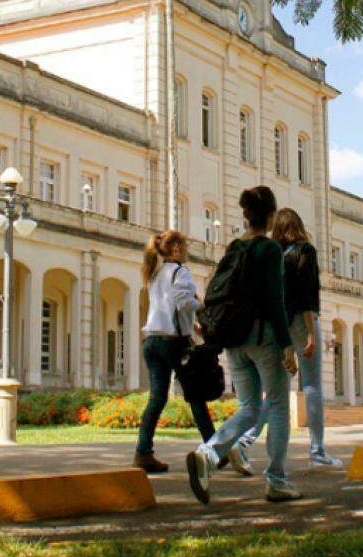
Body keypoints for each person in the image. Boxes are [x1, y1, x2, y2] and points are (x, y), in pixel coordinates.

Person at [186, 186, 301, 504]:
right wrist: (286, 344)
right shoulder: (269, 249)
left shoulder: (234, 247)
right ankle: (277, 480)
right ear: (271, 215)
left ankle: (207, 455)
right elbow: (275, 301)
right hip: (262, 337)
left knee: (249, 407)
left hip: (233, 338)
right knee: (278, 405)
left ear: (246, 216)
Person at [234, 208, 344, 470]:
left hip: (276, 324)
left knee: (274, 391)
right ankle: (317, 451)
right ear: (299, 226)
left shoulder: (273, 253)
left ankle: (244, 441)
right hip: (300, 321)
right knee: (313, 385)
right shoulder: (305, 250)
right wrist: (310, 332)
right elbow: (306, 294)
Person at [134, 229, 234, 473]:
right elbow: (181, 301)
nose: (188, 250)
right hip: (174, 343)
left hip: (152, 341)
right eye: (185, 246)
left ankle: (143, 452)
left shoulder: (156, 273)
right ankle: (214, 452)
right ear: (177, 248)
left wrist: (194, 325)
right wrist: (200, 305)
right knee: (196, 396)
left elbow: (169, 307)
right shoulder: (181, 272)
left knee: (157, 399)